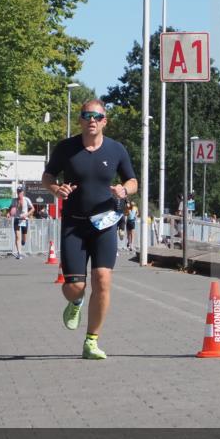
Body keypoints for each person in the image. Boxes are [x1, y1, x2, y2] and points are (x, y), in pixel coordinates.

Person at [42, 99, 137, 360]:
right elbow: (48, 176)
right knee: (75, 287)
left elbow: (132, 180)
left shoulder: (116, 150)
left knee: (103, 281)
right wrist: (55, 189)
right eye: (87, 116)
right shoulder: (67, 148)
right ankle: (75, 302)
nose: (91, 120)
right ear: (81, 120)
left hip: (105, 223)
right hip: (74, 223)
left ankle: (91, 341)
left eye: (97, 116)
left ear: (104, 121)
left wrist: (124, 190)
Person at [10, 185, 33, 259]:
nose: (19, 193)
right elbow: (11, 209)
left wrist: (26, 214)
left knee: (24, 238)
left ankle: (23, 241)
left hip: (24, 219)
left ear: (23, 192)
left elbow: (33, 209)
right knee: (17, 236)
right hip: (17, 219)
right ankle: (19, 253)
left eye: (20, 191)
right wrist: (9, 213)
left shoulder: (27, 199)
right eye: (18, 191)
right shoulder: (14, 200)